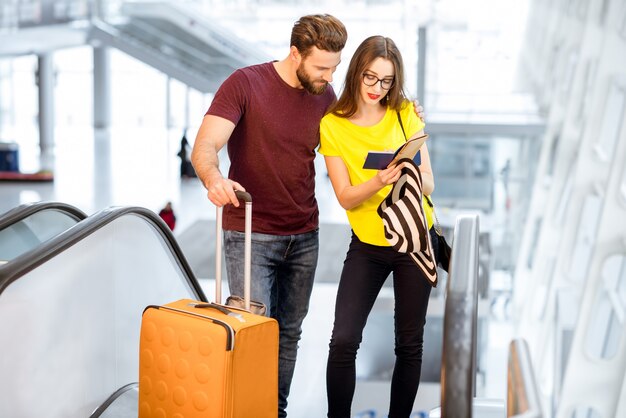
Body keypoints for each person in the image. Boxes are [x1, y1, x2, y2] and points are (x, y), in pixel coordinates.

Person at [191, 15, 423, 416]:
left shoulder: (326, 96)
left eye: (334, 67)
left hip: (304, 233)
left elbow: (360, 127)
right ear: (295, 53)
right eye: (321, 67)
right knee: (251, 334)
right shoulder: (245, 83)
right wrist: (213, 178)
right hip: (251, 234)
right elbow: (206, 144)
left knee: (289, 335)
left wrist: (404, 110)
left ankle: (275, 411)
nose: (329, 76)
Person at [318, 35, 435, 418]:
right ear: (356, 72)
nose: (377, 89)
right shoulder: (333, 125)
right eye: (370, 78)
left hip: (414, 239)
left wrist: (406, 171)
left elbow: (429, 184)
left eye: (386, 81)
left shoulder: (405, 114)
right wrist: (378, 181)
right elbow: (345, 197)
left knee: (409, 344)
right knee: (344, 340)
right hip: (367, 243)